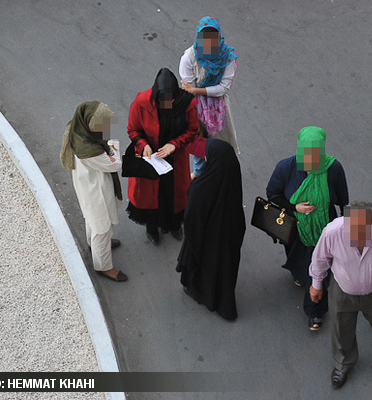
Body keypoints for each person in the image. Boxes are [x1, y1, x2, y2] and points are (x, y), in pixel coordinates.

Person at [309, 201, 372, 389]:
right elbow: (320, 259)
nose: (355, 237)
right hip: (342, 291)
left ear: (371, 224)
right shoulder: (332, 232)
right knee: (341, 329)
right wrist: (316, 284)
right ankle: (343, 364)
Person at [266, 126, 348, 331]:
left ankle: (315, 311)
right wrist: (294, 207)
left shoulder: (333, 168)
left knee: (319, 271)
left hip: (324, 230)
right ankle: (299, 274)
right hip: (295, 230)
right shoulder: (286, 168)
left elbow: (343, 201)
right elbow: (273, 195)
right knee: (300, 263)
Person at [126, 68, 199, 245]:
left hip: (175, 159)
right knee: (151, 196)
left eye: (171, 101)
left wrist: (174, 144)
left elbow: (192, 130)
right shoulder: (141, 102)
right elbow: (133, 130)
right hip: (151, 159)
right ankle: (152, 228)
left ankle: (174, 225)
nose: (167, 105)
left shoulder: (186, 104)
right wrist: (144, 146)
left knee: (174, 195)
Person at [176, 138, 246, 321]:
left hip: (205, 242)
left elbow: (191, 217)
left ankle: (201, 294)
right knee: (224, 271)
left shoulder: (201, 187)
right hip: (228, 239)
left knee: (203, 272)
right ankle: (222, 303)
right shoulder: (231, 181)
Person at [60, 101, 127, 282]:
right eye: (103, 123)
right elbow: (114, 164)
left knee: (92, 218)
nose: (107, 127)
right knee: (102, 227)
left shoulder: (77, 131)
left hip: (86, 185)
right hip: (96, 190)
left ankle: (94, 246)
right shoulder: (91, 150)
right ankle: (104, 267)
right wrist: (113, 144)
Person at [179, 16, 238, 178]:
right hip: (195, 108)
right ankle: (199, 174)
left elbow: (222, 88)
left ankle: (218, 171)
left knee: (221, 143)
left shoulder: (227, 57)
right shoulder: (189, 58)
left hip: (218, 109)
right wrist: (193, 94)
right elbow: (187, 89)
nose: (209, 45)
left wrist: (197, 91)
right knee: (199, 144)